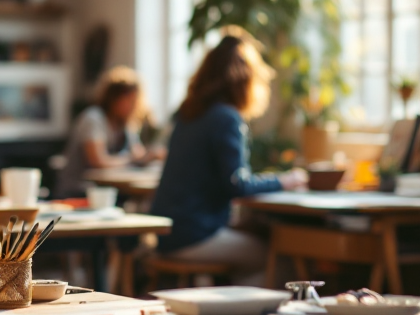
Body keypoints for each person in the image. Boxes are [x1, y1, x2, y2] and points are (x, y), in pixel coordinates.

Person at [150, 29, 306, 283]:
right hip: (195, 235)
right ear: (245, 79)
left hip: (169, 233)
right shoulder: (226, 118)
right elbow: (238, 184)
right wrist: (285, 180)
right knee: (277, 259)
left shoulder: (189, 113)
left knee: (250, 247)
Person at [56, 66, 155, 198]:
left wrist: (149, 156)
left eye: (135, 101)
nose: (134, 106)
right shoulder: (93, 119)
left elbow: (137, 153)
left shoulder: (125, 124)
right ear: (114, 98)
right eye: (130, 100)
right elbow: (98, 161)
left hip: (106, 192)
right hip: (79, 191)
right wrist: (133, 159)